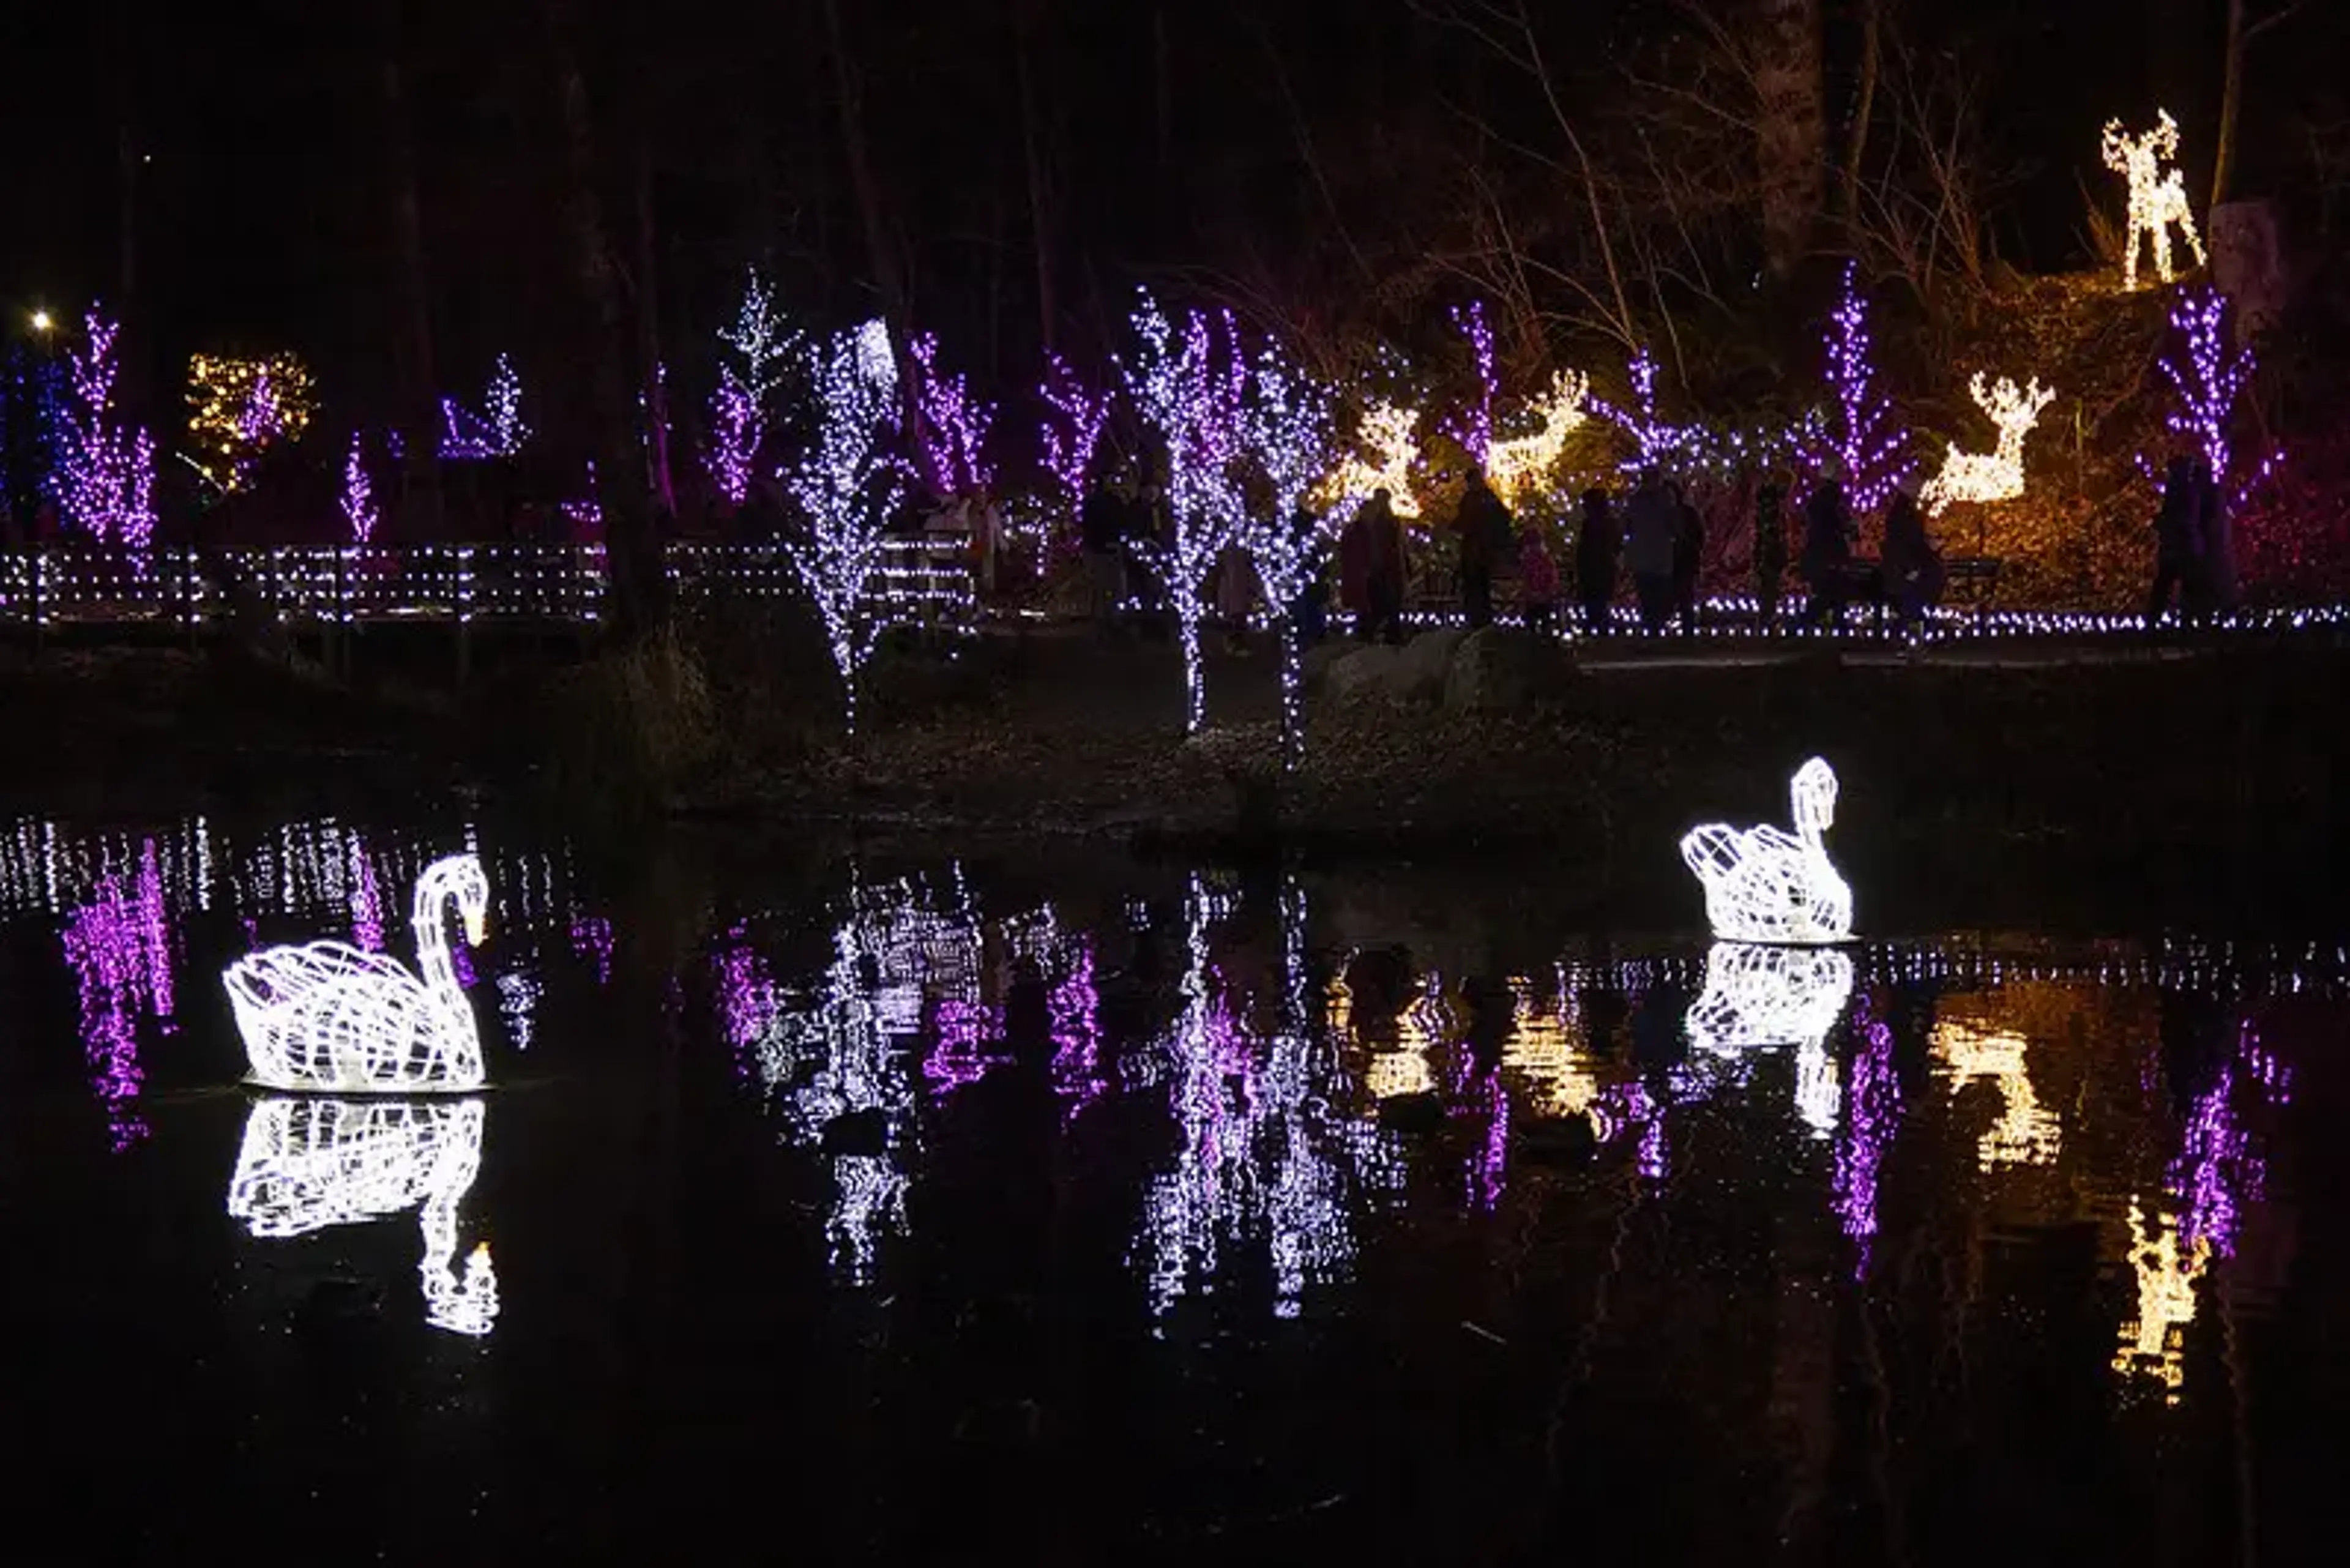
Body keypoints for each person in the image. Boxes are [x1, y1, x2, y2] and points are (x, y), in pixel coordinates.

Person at [1453, 468, 1512, 630]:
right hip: (1480, 551)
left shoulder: (1479, 499)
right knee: (1478, 586)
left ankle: (1479, 619)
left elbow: (1465, 522)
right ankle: (1480, 619)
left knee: (1477, 586)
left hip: (1478, 551)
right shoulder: (1486, 498)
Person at [1880, 481, 1944, 628]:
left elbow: (1906, 542)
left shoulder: (1901, 513)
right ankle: (1910, 628)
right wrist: (1911, 566)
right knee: (1917, 594)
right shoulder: (1906, 514)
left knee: (1916, 595)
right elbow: (1908, 542)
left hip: (1906, 566)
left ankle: (1912, 627)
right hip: (1909, 567)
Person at [1623, 470, 1680, 630]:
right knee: (1658, 595)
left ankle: (1652, 628)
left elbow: (1627, 526)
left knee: (1648, 595)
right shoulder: (1665, 500)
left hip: (1645, 555)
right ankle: (1657, 627)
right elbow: (1674, 526)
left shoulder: (1636, 501)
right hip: (1659, 555)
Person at [1352, 487, 1406, 643]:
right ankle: (1375, 633)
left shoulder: (1390, 522)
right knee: (1378, 603)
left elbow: (1397, 547)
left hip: (1387, 569)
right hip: (1377, 570)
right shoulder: (1372, 523)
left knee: (1388, 603)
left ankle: (1389, 633)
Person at [1799, 479, 1856, 627]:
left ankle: (1812, 621)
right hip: (1829, 557)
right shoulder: (1833, 506)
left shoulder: (1818, 504)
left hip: (1822, 556)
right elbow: (1840, 528)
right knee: (1833, 593)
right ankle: (1813, 621)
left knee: (1831, 593)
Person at [1078, 474, 1125, 630]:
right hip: (1100, 548)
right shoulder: (1099, 502)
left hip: (1106, 548)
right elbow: (1088, 526)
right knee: (1103, 587)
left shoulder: (1113, 501)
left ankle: (1106, 619)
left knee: (1108, 586)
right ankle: (1103, 620)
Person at [1575, 487, 1620, 633]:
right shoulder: (1610, 522)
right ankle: (1600, 632)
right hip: (1604, 569)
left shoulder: (1592, 524)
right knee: (1600, 605)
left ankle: (1597, 633)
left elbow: (1585, 549)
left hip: (1594, 570)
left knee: (1595, 606)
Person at [1669, 480, 1704, 628]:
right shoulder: (1662, 514)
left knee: (1686, 598)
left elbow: (1699, 535)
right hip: (1665, 562)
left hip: (1685, 561)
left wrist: (1691, 546)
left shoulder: (1688, 513)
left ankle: (1687, 632)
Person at [1753, 479, 1788, 625]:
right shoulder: (1769, 516)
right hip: (1768, 555)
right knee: (1769, 587)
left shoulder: (1770, 515)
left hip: (1769, 555)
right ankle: (1766, 617)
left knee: (1769, 587)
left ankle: (1766, 617)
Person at [1518, 519, 1560, 635]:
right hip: (1533, 599)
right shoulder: (1527, 561)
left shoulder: (1546, 561)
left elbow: (1552, 578)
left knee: (1544, 624)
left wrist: (1547, 593)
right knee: (1532, 624)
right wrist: (1530, 593)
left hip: (1544, 598)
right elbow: (1525, 579)